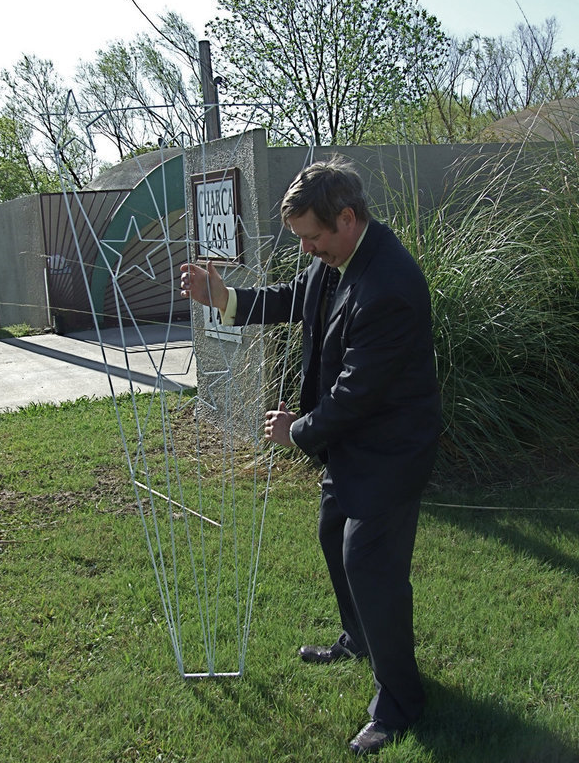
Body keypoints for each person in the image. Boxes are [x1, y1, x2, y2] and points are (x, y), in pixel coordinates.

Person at [180, 157, 441, 756]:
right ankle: (359, 638)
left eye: (312, 237)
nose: (306, 250)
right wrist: (224, 296)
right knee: (332, 534)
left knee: (368, 561)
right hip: (352, 443)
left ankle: (401, 702)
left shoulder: (390, 286)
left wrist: (297, 430)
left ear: (347, 219)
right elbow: (291, 298)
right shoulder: (336, 260)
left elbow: (356, 394)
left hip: (391, 450)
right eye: (300, 238)